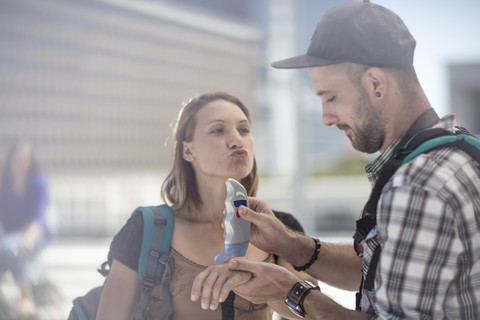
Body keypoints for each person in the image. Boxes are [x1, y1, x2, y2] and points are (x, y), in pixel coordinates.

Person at [191, 1, 480, 319]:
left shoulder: (417, 184)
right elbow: (377, 270)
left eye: (330, 97)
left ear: (375, 84)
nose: (327, 117)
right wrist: (288, 243)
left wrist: (289, 291)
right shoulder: (456, 153)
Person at [96, 91, 313, 319]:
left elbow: (312, 312)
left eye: (244, 130)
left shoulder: (281, 228)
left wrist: (255, 280)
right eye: (218, 130)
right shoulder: (147, 228)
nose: (237, 140)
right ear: (188, 151)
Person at [0, 140, 51, 320]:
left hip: (35, 235)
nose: (21, 161)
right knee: (5, 250)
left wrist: (27, 239)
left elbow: (38, 217)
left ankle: (26, 297)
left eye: (25, 158)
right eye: (18, 157)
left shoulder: (38, 183)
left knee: (11, 250)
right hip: (10, 238)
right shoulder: (5, 186)